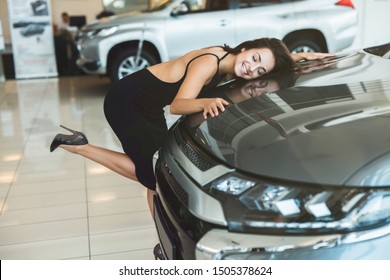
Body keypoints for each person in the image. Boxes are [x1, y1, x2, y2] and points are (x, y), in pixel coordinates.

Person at [50, 38, 332, 215]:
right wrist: (204, 103)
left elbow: (267, 57)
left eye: (260, 71)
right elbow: (178, 105)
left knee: (160, 166)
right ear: (246, 47)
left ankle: (78, 143)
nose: (251, 70)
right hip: (126, 101)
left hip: (145, 104)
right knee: (154, 176)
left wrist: (299, 58)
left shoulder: (229, 58)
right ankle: (80, 147)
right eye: (254, 59)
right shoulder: (210, 63)